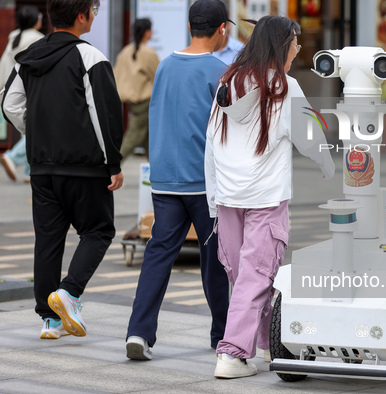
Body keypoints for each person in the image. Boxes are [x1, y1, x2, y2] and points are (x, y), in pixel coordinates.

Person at [205, 15, 335, 378]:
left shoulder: (228, 83)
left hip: (230, 198)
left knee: (246, 276)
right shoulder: (285, 86)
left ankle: (264, 343)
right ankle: (232, 354)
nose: (298, 49)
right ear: (282, 45)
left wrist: (213, 199)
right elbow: (310, 136)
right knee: (257, 276)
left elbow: (210, 144)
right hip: (265, 198)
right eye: (295, 43)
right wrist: (329, 165)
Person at [2, 0, 124, 340]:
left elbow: (9, 103)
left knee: (49, 240)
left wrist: (37, 129)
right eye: (94, 12)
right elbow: (104, 115)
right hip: (84, 166)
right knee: (98, 231)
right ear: (83, 16)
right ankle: (69, 293)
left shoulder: (29, 56)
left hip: (42, 167)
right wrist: (112, 163)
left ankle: (49, 320)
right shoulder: (90, 57)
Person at [125, 0, 230, 361]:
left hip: (165, 179)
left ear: (189, 26)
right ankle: (222, 337)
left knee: (158, 254)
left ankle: (139, 332)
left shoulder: (166, 65)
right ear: (222, 30)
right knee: (214, 257)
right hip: (204, 182)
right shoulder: (221, 72)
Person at [0, 5, 44, 182]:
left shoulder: (14, 38)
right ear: (35, 21)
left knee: (30, 127)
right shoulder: (38, 39)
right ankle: (12, 157)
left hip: (9, 91)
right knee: (35, 128)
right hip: (25, 90)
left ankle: (29, 171)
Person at [113, 18, 159, 161]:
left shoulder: (125, 51)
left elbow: (116, 75)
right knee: (134, 137)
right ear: (147, 32)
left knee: (147, 137)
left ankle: (156, 171)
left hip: (131, 101)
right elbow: (158, 76)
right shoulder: (148, 53)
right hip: (145, 101)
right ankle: (112, 167)